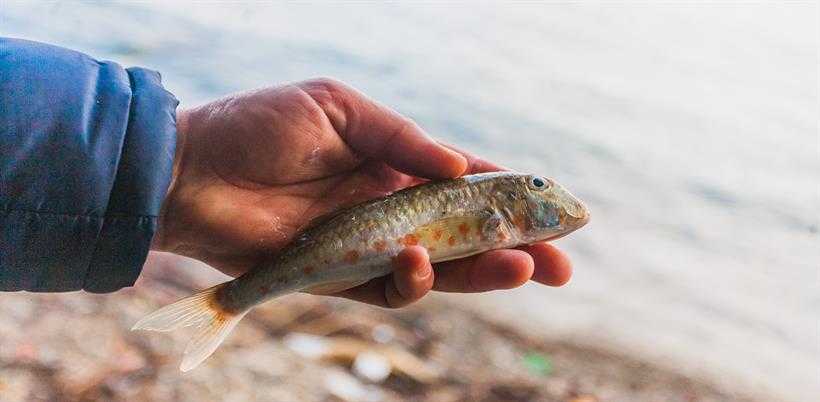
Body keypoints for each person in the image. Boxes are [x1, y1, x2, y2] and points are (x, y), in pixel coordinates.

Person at [0, 37, 572, 308]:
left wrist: (179, 165)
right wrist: (176, 169)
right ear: (514, 205)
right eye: (537, 187)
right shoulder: (496, 206)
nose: (548, 199)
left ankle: (228, 301)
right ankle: (228, 302)